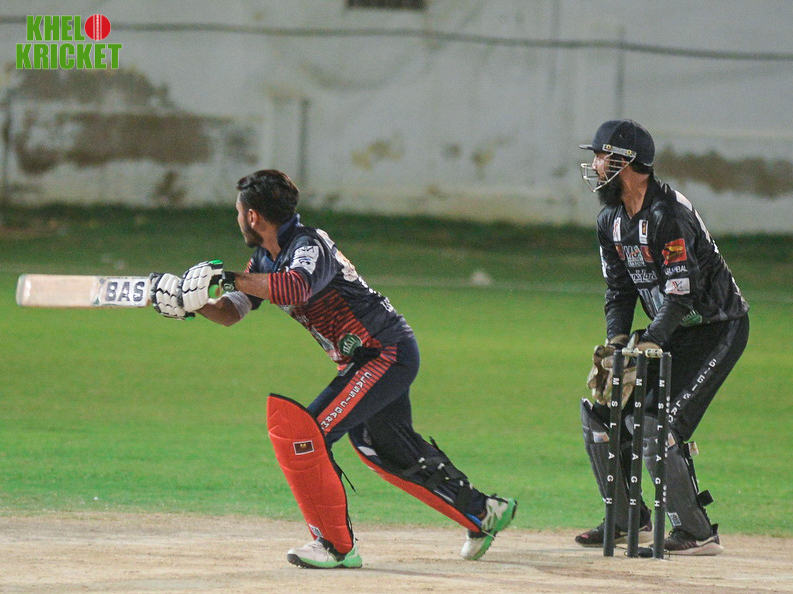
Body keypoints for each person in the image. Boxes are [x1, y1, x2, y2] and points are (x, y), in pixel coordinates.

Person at [148, 169, 517, 569]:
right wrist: (190, 303)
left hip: (383, 352)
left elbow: (295, 287)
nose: (238, 220)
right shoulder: (265, 257)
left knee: (306, 436)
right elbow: (232, 312)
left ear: (252, 216)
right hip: (370, 358)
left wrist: (226, 277)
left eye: (238, 213)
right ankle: (484, 512)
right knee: (384, 447)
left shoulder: (309, 245)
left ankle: (335, 546)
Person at [576, 120, 749, 555]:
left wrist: (652, 338)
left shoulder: (667, 214)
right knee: (603, 414)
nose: (595, 166)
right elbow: (619, 289)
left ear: (627, 163)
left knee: (657, 424)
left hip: (714, 327)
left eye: (602, 156)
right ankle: (625, 520)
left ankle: (696, 532)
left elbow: (681, 292)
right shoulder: (611, 220)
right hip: (667, 329)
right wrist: (618, 340)